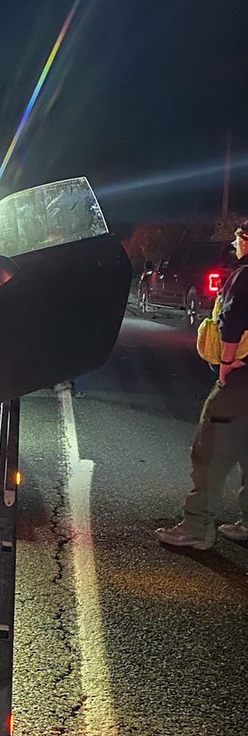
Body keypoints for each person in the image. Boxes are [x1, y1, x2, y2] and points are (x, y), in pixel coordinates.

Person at [157, 221, 248, 548]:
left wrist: (226, 362)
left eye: (238, 238)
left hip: (240, 381)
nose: (235, 244)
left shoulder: (244, 275)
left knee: (210, 448)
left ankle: (197, 528)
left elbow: (232, 319)